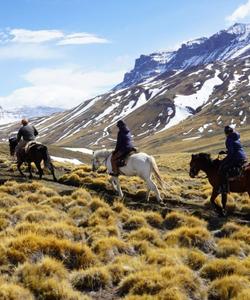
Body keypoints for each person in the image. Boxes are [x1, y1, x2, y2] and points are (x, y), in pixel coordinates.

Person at [218, 125, 247, 193]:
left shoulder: (229, 139)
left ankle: (224, 188)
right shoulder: (236, 137)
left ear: (226, 132)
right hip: (243, 157)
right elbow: (236, 148)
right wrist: (225, 152)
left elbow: (231, 153)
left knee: (223, 168)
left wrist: (225, 160)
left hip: (236, 157)